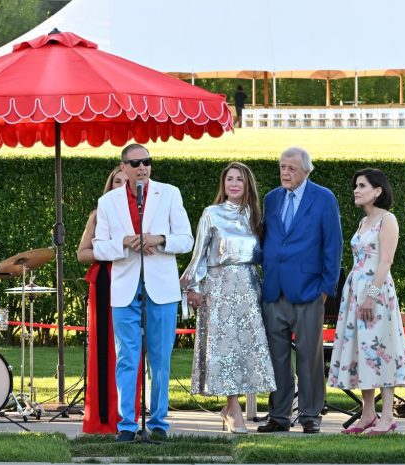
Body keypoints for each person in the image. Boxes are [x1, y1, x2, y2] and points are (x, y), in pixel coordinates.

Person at [92, 144, 194, 442]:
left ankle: (159, 422)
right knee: (126, 357)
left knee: (160, 357)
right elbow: (99, 247)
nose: (142, 168)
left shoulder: (169, 193)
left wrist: (158, 239)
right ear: (123, 167)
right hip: (125, 287)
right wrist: (125, 242)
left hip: (161, 287)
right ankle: (127, 424)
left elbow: (186, 240)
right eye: (135, 163)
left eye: (147, 162)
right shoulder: (107, 202)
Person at [180, 162, 276, 433]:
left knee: (247, 349)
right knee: (225, 349)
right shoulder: (211, 214)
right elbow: (199, 253)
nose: (233, 184)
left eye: (239, 179)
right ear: (223, 184)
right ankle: (233, 408)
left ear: (248, 185)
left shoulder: (255, 216)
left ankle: (234, 407)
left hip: (249, 287)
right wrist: (192, 287)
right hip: (219, 288)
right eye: (229, 179)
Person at [258, 147, 342, 434]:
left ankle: (310, 413)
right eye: (282, 167)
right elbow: (268, 239)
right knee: (276, 357)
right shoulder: (271, 199)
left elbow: (333, 245)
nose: (285, 172)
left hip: (309, 291)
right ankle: (278, 415)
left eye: (291, 168)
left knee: (309, 357)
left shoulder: (324, 198)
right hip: (274, 290)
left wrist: (326, 289)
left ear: (306, 171)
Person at [327, 168, 405, 435]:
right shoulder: (364, 222)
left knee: (381, 349)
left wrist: (371, 297)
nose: (356, 190)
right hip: (356, 291)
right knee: (361, 349)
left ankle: (387, 416)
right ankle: (368, 413)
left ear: (378, 191)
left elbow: (386, 261)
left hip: (377, 293)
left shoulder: (388, 220)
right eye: (356, 185)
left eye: (362, 185)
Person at [78, 166, 145, 434]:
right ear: (110, 185)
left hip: (136, 281)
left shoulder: (145, 212)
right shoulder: (99, 213)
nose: (122, 185)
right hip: (106, 282)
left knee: (130, 350)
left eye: (126, 181)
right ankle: (102, 419)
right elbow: (82, 254)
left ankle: (128, 416)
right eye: (117, 181)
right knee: (104, 350)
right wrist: (115, 247)